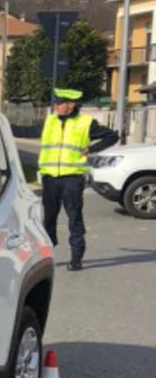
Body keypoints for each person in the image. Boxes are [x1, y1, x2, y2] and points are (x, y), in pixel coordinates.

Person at [37, 88, 117, 271]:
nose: (55, 106)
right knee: (48, 218)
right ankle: (48, 255)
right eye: (55, 103)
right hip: (50, 177)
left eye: (59, 103)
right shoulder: (50, 120)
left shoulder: (85, 122)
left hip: (72, 178)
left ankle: (76, 258)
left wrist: (91, 149)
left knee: (74, 217)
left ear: (71, 105)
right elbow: (26, 131)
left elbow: (112, 136)